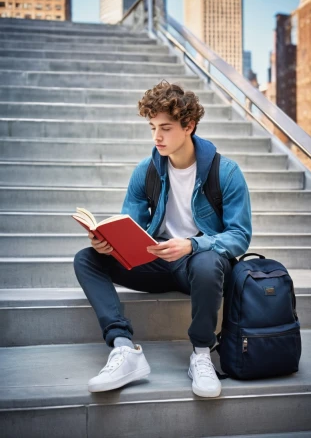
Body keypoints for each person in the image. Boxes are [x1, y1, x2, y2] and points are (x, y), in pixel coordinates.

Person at [74, 80, 252, 398]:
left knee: (209, 262)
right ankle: (124, 349)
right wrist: (108, 243)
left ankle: (200, 355)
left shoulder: (225, 172)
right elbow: (129, 225)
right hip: (155, 261)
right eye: (153, 127)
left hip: (198, 267)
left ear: (189, 125)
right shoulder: (146, 171)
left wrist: (193, 244)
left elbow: (240, 236)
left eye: (166, 128)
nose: (157, 137)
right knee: (86, 259)